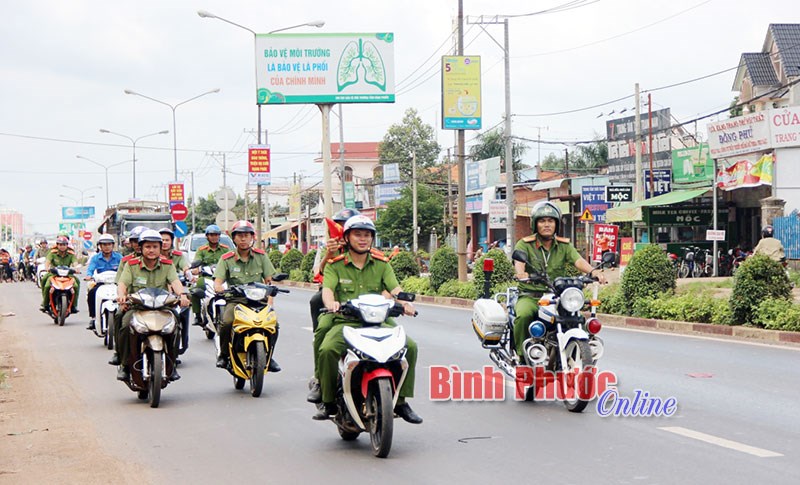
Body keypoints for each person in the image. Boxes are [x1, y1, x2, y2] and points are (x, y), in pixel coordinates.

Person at [310, 215, 422, 424]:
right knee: (327, 350)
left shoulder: (382, 264)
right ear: (348, 237)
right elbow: (327, 290)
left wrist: (405, 303)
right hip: (345, 321)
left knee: (411, 347)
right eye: (358, 234)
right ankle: (328, 401)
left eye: (367, 235)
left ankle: (401, 401)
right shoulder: (335, 264)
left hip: (379, 321)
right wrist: (331, 304)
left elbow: (395, 288)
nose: (363, 239)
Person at [512, 201, 606, 359]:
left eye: (551, 221)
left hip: (557, 298)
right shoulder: (525, 244)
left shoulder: (564, 246)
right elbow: (519, 263)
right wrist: (521, 273)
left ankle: (581, 356)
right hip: (531, 296)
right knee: (523, 315)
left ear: (556, 224)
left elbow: (578, 260)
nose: (547, 225)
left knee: (578, 319)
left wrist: (594, 271)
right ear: (535, 224)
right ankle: (522, 357)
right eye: (542, 221)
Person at [114, 230, 189, 381]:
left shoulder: (168, 265)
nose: (151, 250)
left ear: (161, 248)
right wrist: (122, 296)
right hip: (137, 307)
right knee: (122, 320)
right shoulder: (131, 264)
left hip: (162, 307)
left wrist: (182, 295)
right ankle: (123, 364)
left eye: (155, 246)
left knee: (176, 324)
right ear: (141, 248)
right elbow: (123, 283)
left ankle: (172, 364)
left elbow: (175, 282)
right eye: (147, 246)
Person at [306, 208, 360, 404]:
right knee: (322, 330)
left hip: (363, 304)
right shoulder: (329, 247)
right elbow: (320, 271)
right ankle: (320, 380)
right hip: (336, 302)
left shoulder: (366, 247)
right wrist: (330, 251)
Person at [213, 220, 280, 372]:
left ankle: (269, 356)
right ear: (234, 238)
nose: (243, 239)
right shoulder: (226, 259)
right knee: (227, 322)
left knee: (274, 325)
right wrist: (219, 289)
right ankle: (223, 355)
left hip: (259, 301)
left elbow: (271, 282)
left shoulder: (261, 256)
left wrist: (270, 302)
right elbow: (218, 282)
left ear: (252, 237)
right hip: (236, 301)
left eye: (246, 235)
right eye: (240, 236)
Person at [108, 227, 146, 366]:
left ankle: (172, 357)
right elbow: (121, 283)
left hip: (157, 303)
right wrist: (122, 299)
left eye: (140, 241)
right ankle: (120, 354)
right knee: (119, 318)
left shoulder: (161, 261)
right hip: (132, 302)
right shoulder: (127, 261)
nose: (137, 244)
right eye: (134, 241)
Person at [189, 224, 229, 326]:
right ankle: (197, 315)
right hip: (206, 277)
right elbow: (196, 262)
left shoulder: (226, 249)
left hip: (222, 278)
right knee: (195, 289)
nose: (214, 237)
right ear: (207, 236)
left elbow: (232, 260)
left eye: (216, 235)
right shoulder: (201, 250)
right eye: (211, 235)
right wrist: (195, 270)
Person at [83, 234, 122, 330]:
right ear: (100, 246)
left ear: (113, 245)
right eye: (104, 244)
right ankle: (93, 317)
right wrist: (89, 276)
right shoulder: (95, 258)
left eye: (109, 244)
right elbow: (90, 269)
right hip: (101, 284)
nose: (107, 247)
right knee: (92, 293)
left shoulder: (119, 257)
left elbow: (125, 269)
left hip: (116, 284)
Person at [40, 237, 81, 313]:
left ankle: (73, 306)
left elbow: (75, 263)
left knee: (76, 284)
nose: (62, 246)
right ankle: (45, 304)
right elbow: (47, 262)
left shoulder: (71, 254)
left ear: (67, 245)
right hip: (53, 274)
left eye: (64, 244)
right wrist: (47, 268)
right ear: (57, 245)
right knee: (46, 283)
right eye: (60, 244)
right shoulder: (52, 253)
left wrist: (76, 269)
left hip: (67, 275)